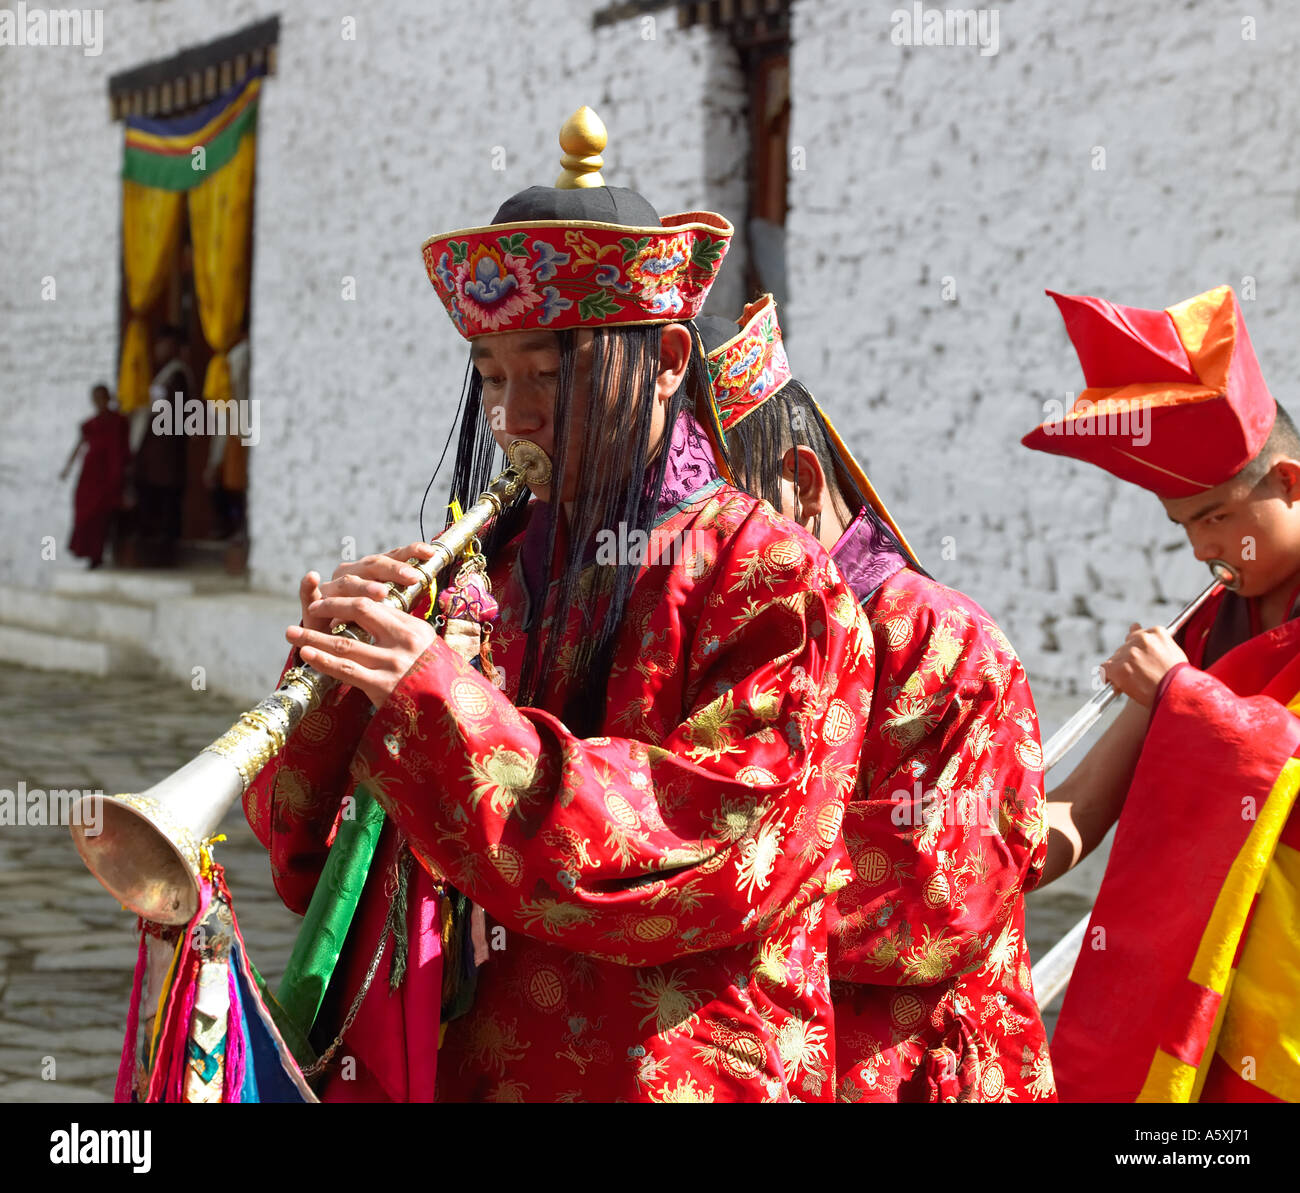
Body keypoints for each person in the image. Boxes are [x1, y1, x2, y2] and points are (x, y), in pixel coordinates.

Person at [242, 110, 876, 1103]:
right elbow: (321, 865)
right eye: (493, 377)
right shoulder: (480, 576)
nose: (514, 417)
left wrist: (439, 707)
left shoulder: (773, 577)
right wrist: (340, 693)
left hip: (679, 1069)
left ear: (667, 361)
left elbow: (715, 851)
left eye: (550, 371)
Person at [699, 296, 1054, 1102]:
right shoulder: (722, 643)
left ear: (798, 480)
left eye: (722, 514)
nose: (701, 551)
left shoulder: (947, 647)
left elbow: (940, 889)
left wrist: (699, 888)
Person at [1023, 284, 1300, 1102]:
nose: (1203, 550)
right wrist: (972, 838)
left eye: (1216, 517)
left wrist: (1183, 696)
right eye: (1185, 527)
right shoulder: (1214, 625)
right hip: (1201, 1014)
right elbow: (1081, 813)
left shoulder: (1187, 671)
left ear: (1289, 479)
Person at [130, 324, 191, 565]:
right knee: (152, 503)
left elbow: (174, 415)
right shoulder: (159, 373)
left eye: (163, 344)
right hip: (153, 455)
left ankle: (164, 557)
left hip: (167, 454)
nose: (158, 349)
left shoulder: (178, 375)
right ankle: (149, 553)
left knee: (166, 505)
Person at [61, 383, 129, 568]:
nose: (100, 403)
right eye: (96, 399)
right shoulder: (89, 425)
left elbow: (124, 449)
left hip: (109, 474)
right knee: (85, 516)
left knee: (102, 517)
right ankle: (89, 554)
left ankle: (98, 556)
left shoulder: (119, 422)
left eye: (103, 398)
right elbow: (80, 444)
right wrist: (67, 467)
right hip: (90, 476)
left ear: (109, 398)